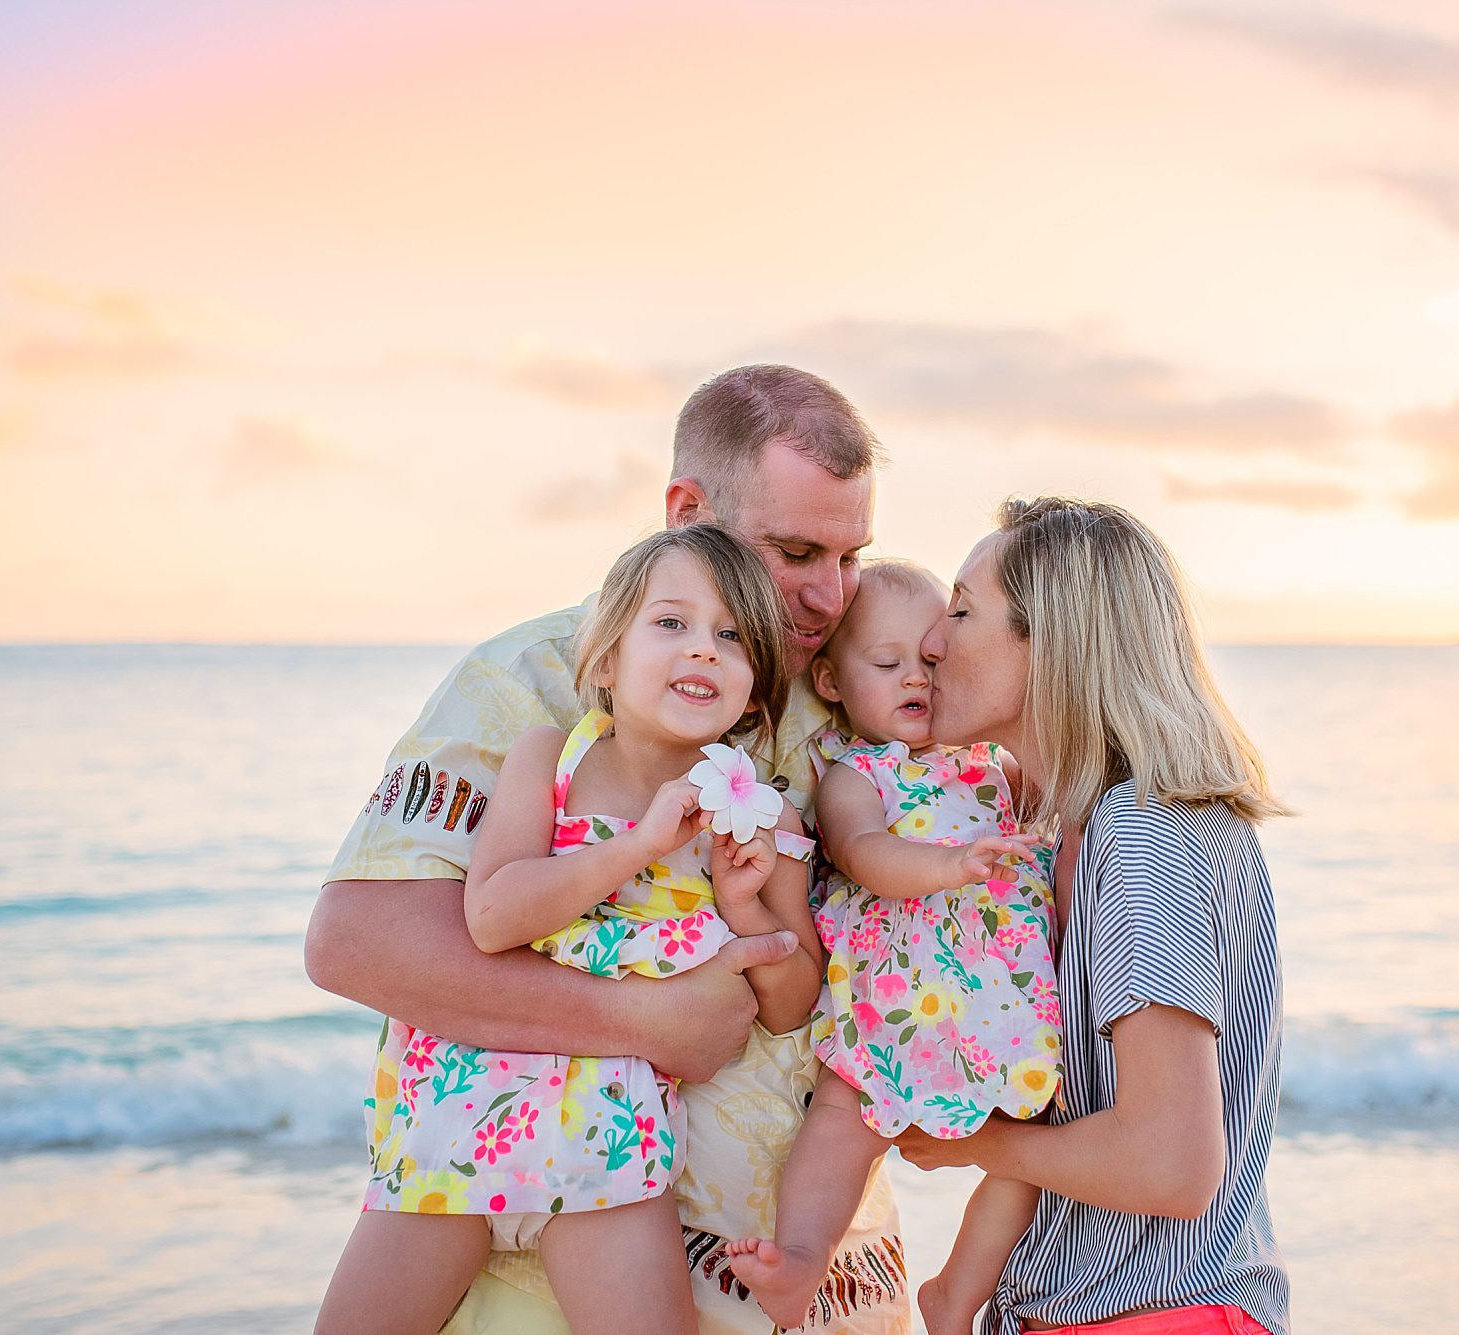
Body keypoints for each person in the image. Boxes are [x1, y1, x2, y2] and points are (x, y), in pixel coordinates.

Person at [305, 366, 910, 1334]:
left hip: (821, 1291)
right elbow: (356, 941)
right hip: (558, 1278)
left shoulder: (853, 687)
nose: (829, 595)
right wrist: (646, 1022)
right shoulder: (535, 683)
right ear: (684, 510)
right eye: (796, 551)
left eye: (848, 557)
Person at [316, 526, 823, 1335]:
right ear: (604, 661)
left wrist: (743, 904)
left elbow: (793, 1002)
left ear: (756, 689)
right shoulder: (548, 758)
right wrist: (639, 845)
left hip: (610, 1130)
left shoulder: (757, 812)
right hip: (462, 1104)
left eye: (731, 637)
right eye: (671, 623)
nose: (702, 650)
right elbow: (491, 917)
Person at [895, 498, 1292, 1335]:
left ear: (1054, 644)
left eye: (963, 611)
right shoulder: (1065, 834)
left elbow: (1171, 1163)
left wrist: (979, 1142)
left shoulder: (1143, 835)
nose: (933, 640)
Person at [724, 560, 1060, 1334]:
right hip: (893, 1001)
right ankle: (802, 1259)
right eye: (887, 664)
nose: (916, 678)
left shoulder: (988, 764)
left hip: (995, 1000)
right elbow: (861, 850)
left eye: (932, 660)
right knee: (843, 1119)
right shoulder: (852, 773)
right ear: (835, 683)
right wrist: (947, 865)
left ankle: (957, 1291)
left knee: (1029, 1144)